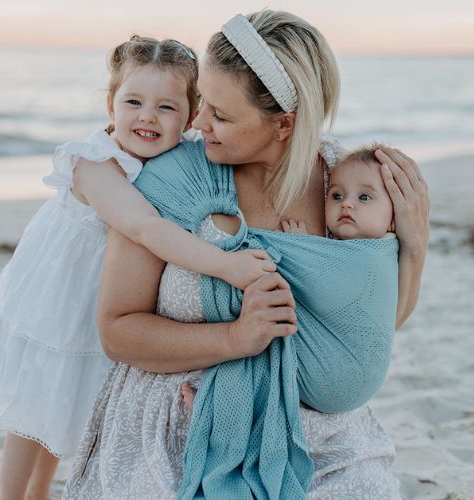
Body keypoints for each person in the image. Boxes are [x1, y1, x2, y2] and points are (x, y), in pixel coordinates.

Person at [64, 10, 429, 499]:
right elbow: (118, 329)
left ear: (283, 124)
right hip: (182, 421)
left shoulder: (344, 187)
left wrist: (415, 246)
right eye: (203, 102)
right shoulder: (172, 181)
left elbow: (367, 330)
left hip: (321, 437)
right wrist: (236, 338)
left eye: (221, 114)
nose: (198, 123)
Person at [0, 36, 274, 500]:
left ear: (191, 116)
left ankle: (39, 492)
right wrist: (227, 266)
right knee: (35, 402)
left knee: (65, 395)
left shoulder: (179, 158)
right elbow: (144, 227)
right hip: (58, 296)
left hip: (102, 294)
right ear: (111, 106)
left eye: (166, 107)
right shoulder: (95, 164)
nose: (147, 116)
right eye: (133, 101)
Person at [181, 144, 398, 411]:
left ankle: (214, 405)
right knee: (266, 348)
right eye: (336, 195)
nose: (347, 204)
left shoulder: (376, 257)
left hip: (345, 376)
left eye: (365, 198)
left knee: (262, 358)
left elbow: (325, 288)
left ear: (392, 221)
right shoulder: (344, 248)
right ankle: (218, 405)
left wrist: (295, 247)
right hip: (325, 381)